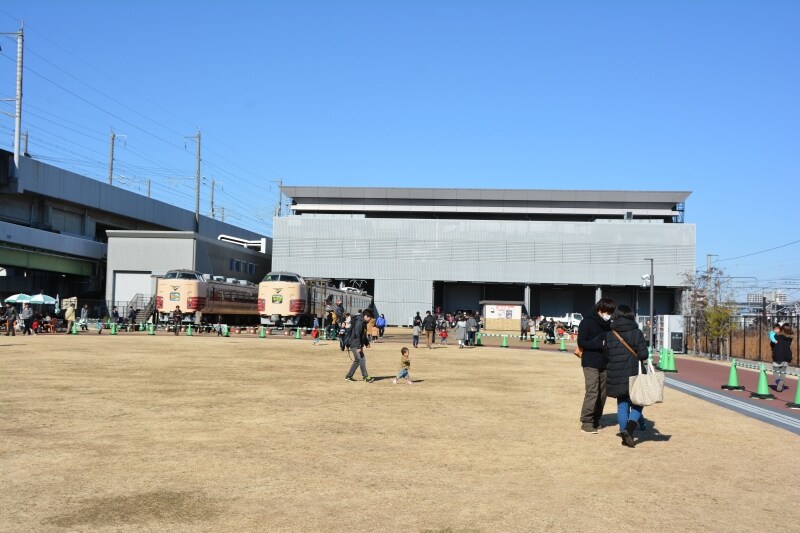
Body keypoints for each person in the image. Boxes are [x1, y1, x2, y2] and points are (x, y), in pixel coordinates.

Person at [605, 305, 649, 448]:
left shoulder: (610, 333)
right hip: (634, 372)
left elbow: (607, 354)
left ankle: (624, 432)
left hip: (616, 373)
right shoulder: (637, 332)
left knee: (622, 404)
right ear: (631, 315)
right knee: (638, 402)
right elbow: (643, 355)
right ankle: (629, 430)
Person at [576, 297, 616, 434]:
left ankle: (596, 420)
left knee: (603, 393)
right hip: (590, 362)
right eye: (607, 312)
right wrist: (600, 344)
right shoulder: (586, 322)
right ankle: (586, 422)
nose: (608, 315)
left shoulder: (609, 324)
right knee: (592, 391)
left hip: (605, 362)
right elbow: (581, 342)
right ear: (600, 309)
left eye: (610, 313)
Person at [345, 309, 374, 382]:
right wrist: (358, 346)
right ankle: (365, 377)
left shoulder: (363, 322)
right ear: (365, 316)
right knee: (362, 360)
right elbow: (357, 335)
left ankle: (348, 376)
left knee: (357, 361)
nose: (370, 320)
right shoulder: (359, 323)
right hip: (355, 344)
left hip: (356, 343)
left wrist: (366, 343)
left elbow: (363, 335)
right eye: (369, 318)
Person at [773, 323, 794, 392]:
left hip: (778, 356)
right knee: (783, 371)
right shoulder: (790, 338)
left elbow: (772, 343)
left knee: (775, 370)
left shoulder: (777, 335)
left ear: (782, 329)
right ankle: (782, 382)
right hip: (787, 356)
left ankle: (778, 381)